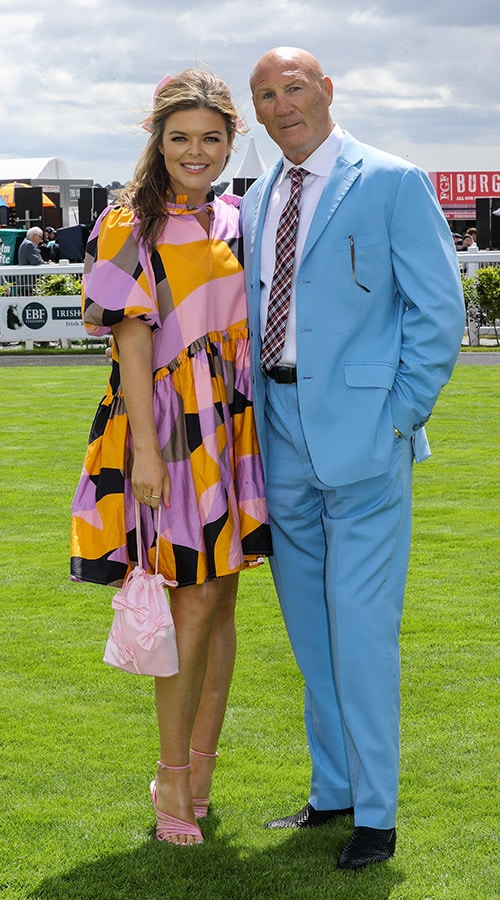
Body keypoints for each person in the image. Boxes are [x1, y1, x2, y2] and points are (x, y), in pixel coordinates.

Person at [241, 47, 465, 870]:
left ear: (326, 91)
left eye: (293, 87)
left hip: (368, 436)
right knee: (311, 631)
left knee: (362, 630)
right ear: (256, 113)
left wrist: (398, 418)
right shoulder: (261, 196)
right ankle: (331, 790)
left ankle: (377, 815)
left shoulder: (394, 181)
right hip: (280, 431)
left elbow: (438, 315)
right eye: (266, 95)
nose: (281, 103)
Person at [71, 68, 272, 846]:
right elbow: (129, 348)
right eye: (180, 136)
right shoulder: (128, 225)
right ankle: (169, 785)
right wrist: (148, 457)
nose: (196, 151)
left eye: (211, 138)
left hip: (233, 426)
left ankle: (203, 772)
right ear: (158, 139)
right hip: (167, 433)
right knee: (187, 604)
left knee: (221, 602)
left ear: (231, 142)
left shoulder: (236, 217)